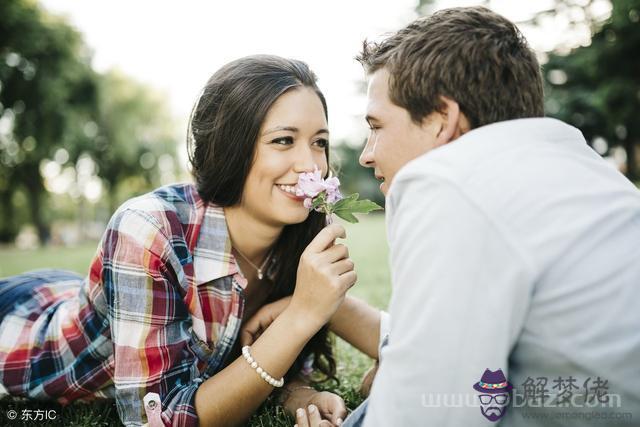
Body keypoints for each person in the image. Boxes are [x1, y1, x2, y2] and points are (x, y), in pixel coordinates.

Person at [293, 6, 640, 427]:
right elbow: (446, 343)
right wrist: (322, 311)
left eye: (377, 125)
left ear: (443, 119)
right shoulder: (583, 169)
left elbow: (427, 413)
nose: (367, 154)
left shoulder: (448, 182)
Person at [0, 54, 375, 427]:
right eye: (283, 140)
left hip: (70, 290)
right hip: (21, 332)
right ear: (231, 147)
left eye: (319, 142)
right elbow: (157, 417)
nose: (310, 165)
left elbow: (232, 364)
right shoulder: (148, 228)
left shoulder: (301, 228)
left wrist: (296, 392)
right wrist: (300, 316)